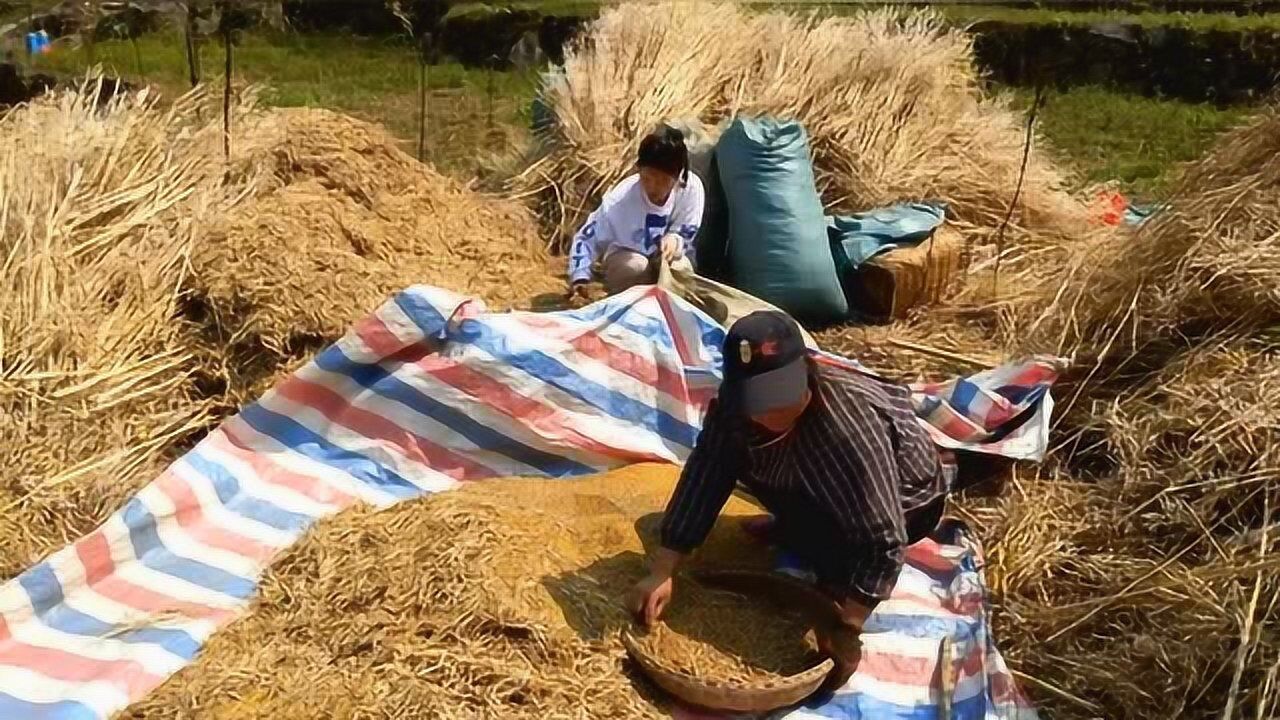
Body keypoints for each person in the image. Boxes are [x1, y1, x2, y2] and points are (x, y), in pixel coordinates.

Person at [627, 310, 950, 688]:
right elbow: (707, 472)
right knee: (736, 451)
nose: (769, 411)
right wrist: (663, 568)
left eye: (779, 396)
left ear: (807, 370)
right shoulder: (736, 410)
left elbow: (883, 538)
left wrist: (848, 625)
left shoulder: (848, 428)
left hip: (908, 501)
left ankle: (807, 532)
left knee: (834, 565)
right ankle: (799, 524)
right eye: (757, 400)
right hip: (814, 481)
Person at [567, 125, 705, 304]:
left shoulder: (691, 189)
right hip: (627, 255)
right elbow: (586, 238)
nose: (653, 188)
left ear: (678, 176)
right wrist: (580, 278)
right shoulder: (620, 200)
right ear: (638, 170)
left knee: (679, 267)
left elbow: (686, 231)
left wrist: (675, 239)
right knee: (635, 267)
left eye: (663, 181)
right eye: (647, 178)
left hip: (669, 257)